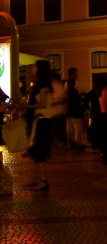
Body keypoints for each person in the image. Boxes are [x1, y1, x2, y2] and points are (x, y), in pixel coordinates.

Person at [20, 59, 57, 191]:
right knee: (35, 151)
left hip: (43, 122)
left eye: (35, 67)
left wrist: (26, 105)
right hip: (40, 121)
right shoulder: (38, 85)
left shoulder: (43, 86)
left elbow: (42, 104)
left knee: (39, 151)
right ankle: (37, 179)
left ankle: (43, 180)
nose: (33, 69)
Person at [64, 77, 86, 150]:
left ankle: (70, 143)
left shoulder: (65, 91)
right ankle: (77, 143)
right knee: (77, 128)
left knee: (69, 129)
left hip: (68, 112)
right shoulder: (74, 91)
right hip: (75, 112)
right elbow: (78, 101)